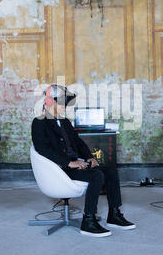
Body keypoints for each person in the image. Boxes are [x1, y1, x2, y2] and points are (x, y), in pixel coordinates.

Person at [31, 84, 135, 237]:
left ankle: (114, 214)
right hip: (59, 170)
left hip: (74, 165)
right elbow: (42, 149)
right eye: (61, 103)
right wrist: (69, 163)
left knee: (110, 171)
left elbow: (78, 143)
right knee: (96, 176)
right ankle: (88, 221)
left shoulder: (64, 121)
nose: (64, 106)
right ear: (49, 102)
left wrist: (89, 157)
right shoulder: (39, 122)